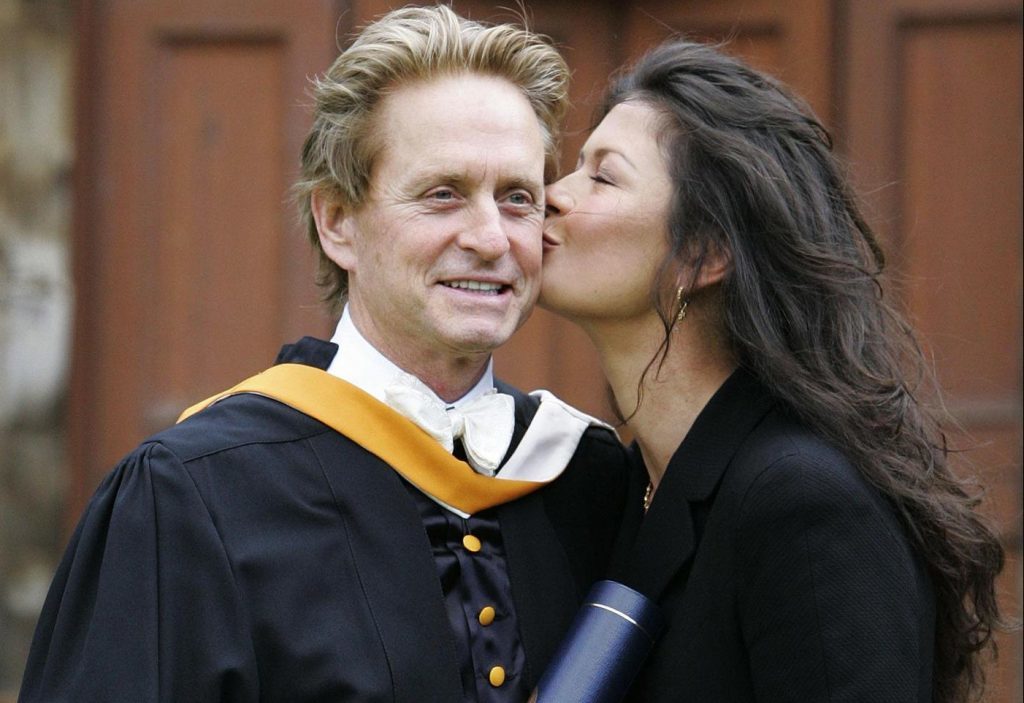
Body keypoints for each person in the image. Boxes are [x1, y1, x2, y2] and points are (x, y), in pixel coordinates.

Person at [19, 6, 628, 702]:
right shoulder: (192, 496)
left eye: (518, 198)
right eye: (442, 195)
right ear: (337, 221)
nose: (492, 238)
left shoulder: (587, 482)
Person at [540, 38, 1006, 702]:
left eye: (602, 175)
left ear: (703, 254)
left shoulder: (803, 500)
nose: (549, 195)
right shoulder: (634, 485)